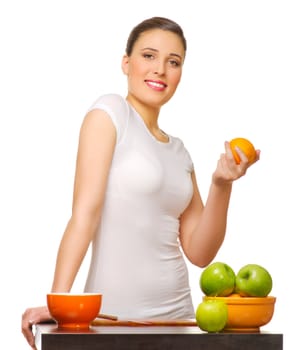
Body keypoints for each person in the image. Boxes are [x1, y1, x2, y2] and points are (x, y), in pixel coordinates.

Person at [21, 16, 260, 349]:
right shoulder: (110, 113)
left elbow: (200, 252)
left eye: (173, 62)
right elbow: (84, 215)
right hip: (112, 321)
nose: (160, 69)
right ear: (126, 62)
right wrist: (60, 304)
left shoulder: (180, 152)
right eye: (149, 56)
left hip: (179, 318)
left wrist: (222, 184)